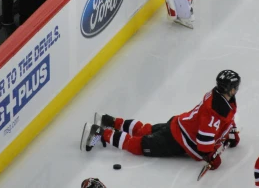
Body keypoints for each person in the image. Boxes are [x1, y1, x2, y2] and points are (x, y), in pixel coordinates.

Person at [82, 70, 240, 171]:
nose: (236, 89)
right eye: (235, 87)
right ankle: (100, 133)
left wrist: (230, 131)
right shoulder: (214, 112)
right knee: (138, 145)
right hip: (179, 140)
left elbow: (225, 121)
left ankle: (107, 120)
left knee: (145, 130)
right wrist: (213, 157)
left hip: (178, 125)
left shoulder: (219, 99)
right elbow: (203, 145)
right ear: (230, 89)